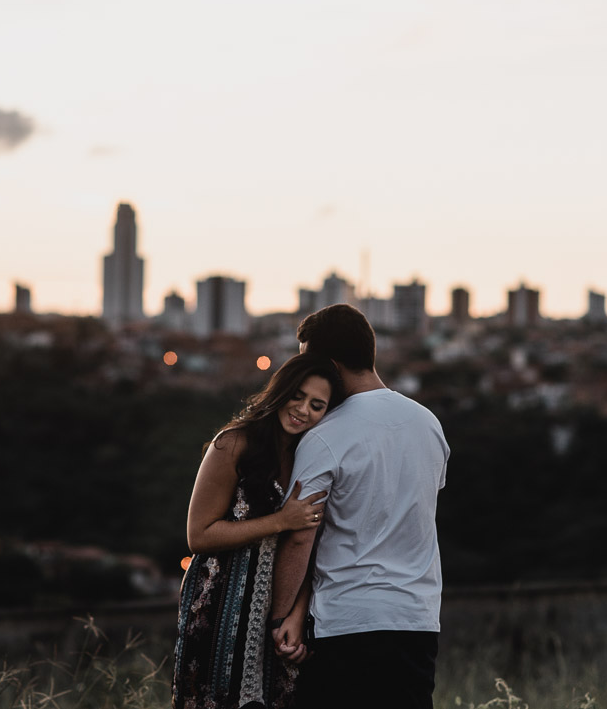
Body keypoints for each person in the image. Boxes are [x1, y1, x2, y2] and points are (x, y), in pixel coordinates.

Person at [269, 304, 450, 709]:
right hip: (416, 620)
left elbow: (301, 536)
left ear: (329, 364)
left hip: (345, 622)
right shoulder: (429, 424)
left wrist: (280, 619)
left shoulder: (325, 436)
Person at [173, 353, 345, 709]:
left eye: (317, 405)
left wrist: (296, 614)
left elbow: (312, 548)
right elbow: (199, 535)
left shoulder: (310, 457)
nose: (302, 409)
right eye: (297, 395)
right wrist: (281, 521)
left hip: (276, 617)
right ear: (280, 390)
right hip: (220, 608)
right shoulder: (234, 443)